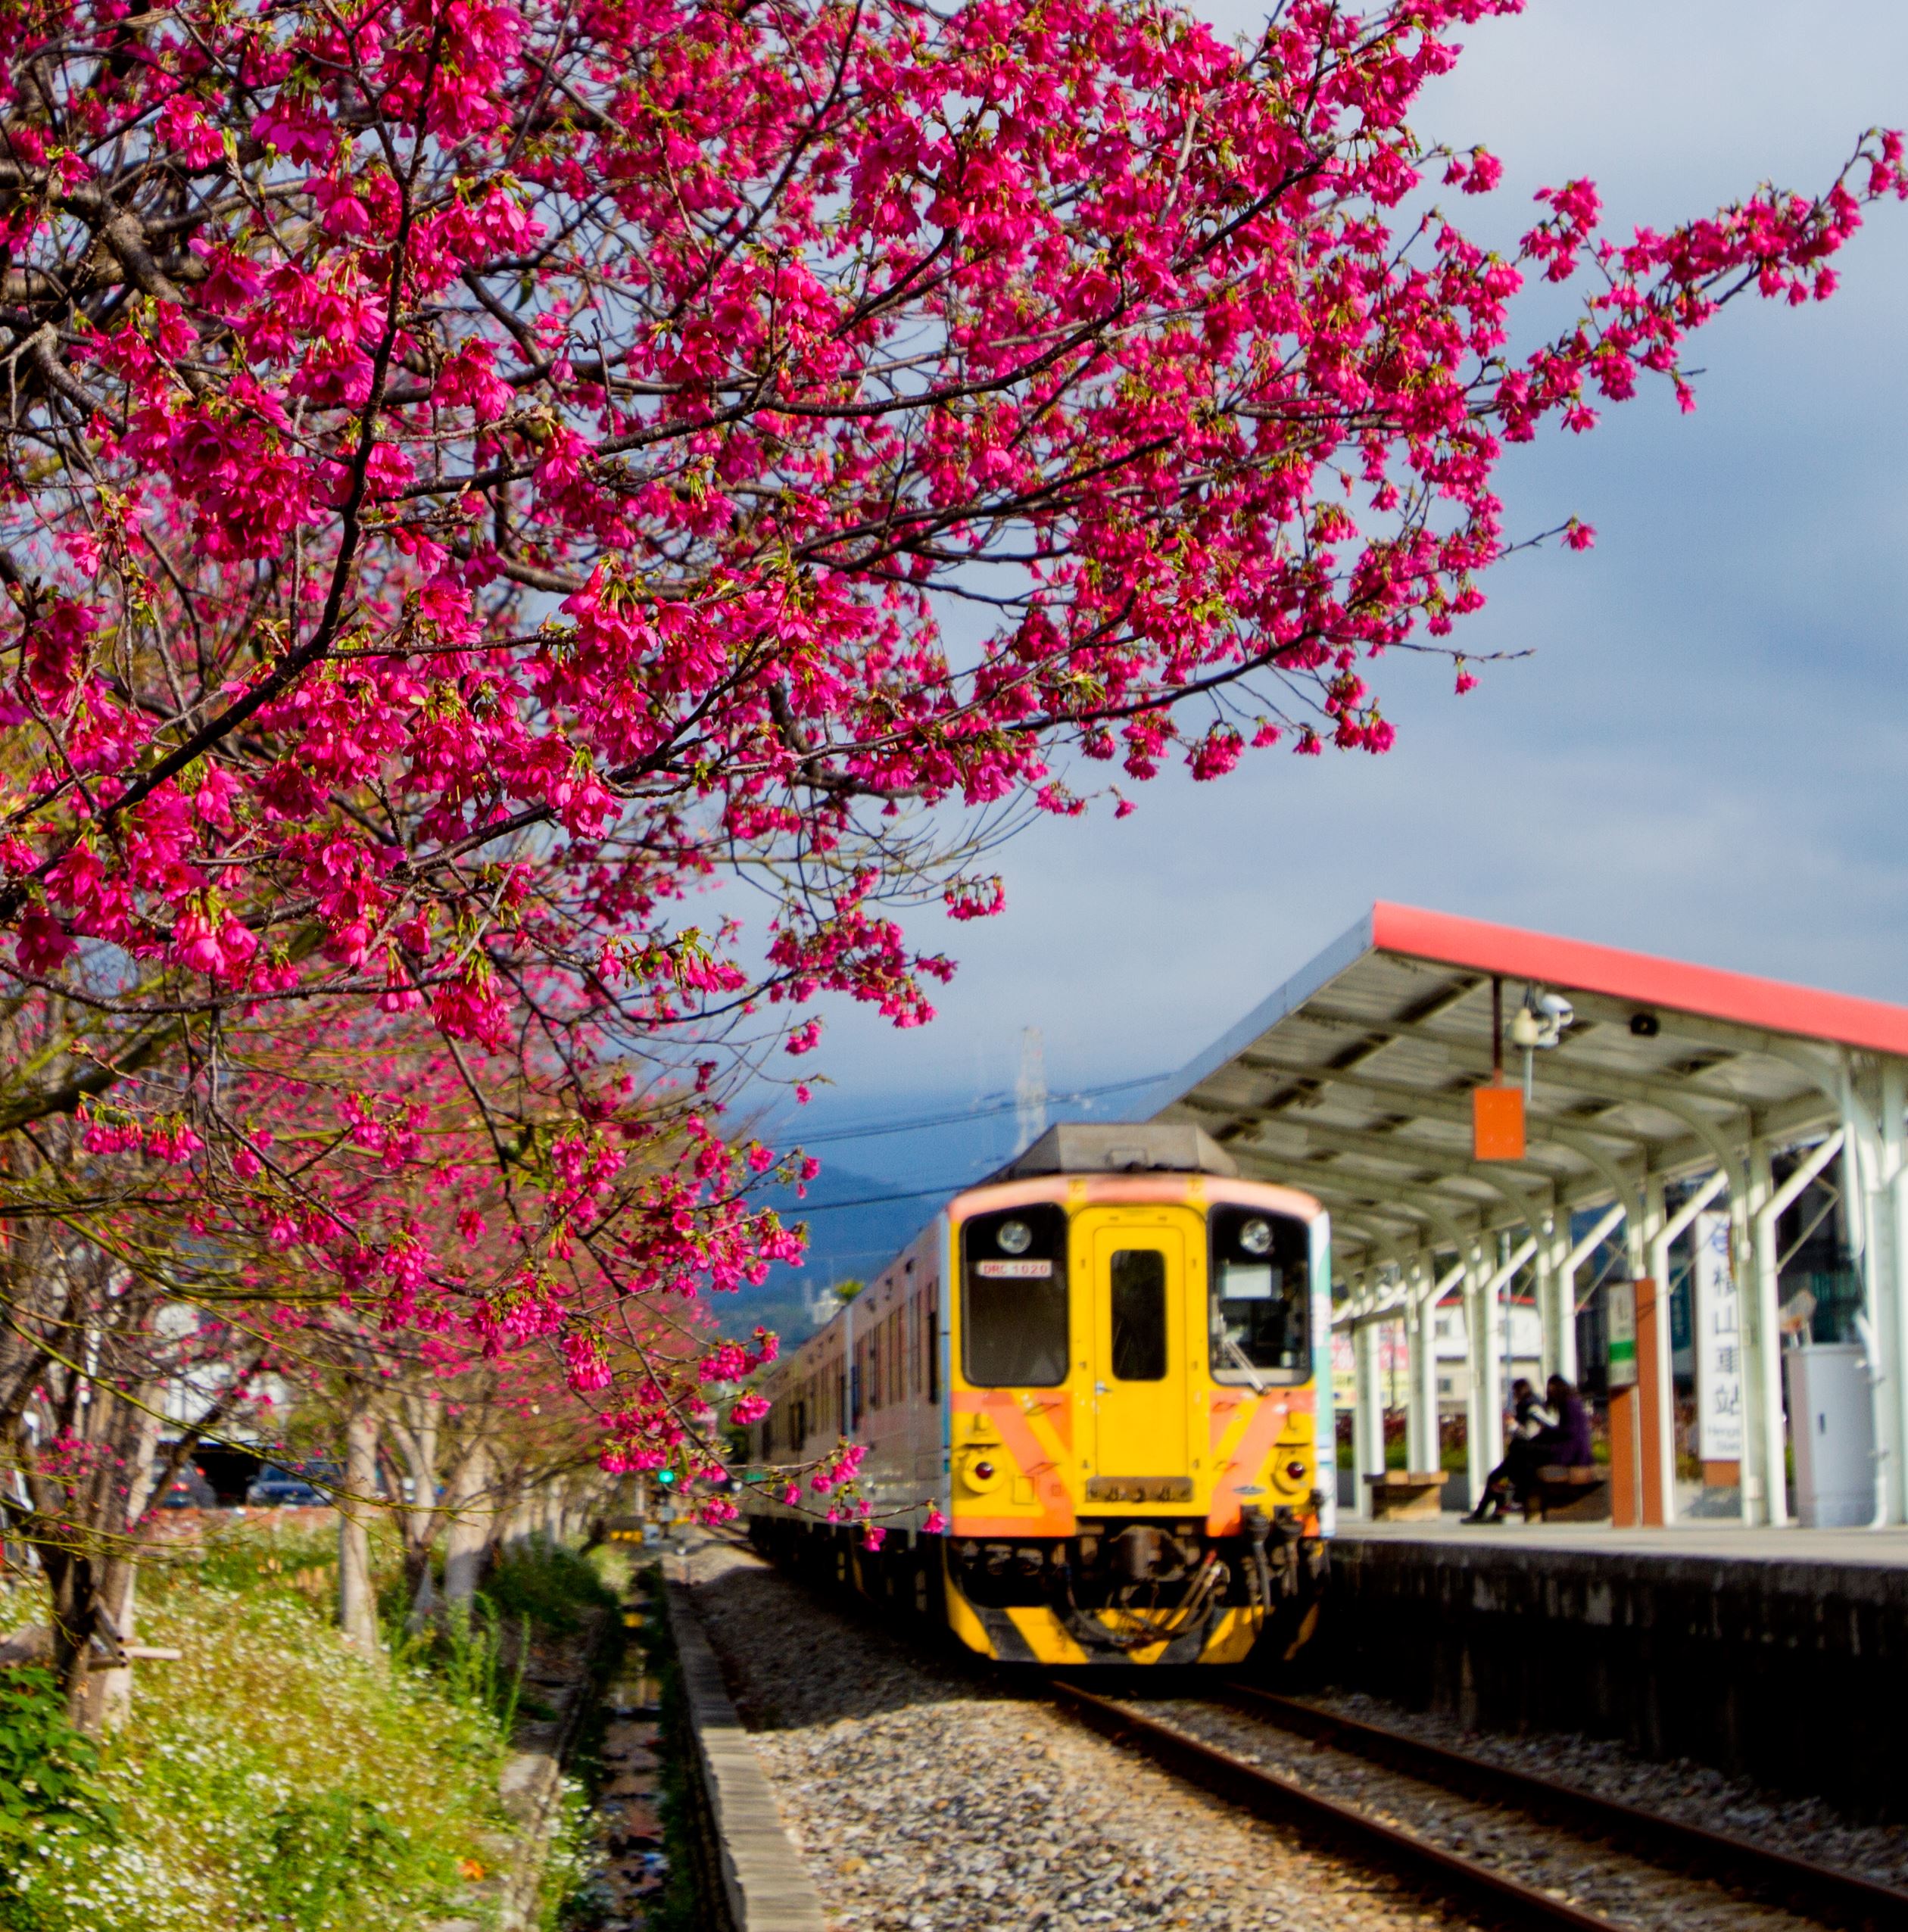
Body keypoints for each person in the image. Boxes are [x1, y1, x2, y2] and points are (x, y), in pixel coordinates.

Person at [1464, 1378, 1557, 1522]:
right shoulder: (1528, 1406)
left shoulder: (1532, 1408)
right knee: (1496, 1479)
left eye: (1515, 1392)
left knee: (1496, 1479)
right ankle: (1493, 1514)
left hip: (1524, 1457)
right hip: (1520, 1455)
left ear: (1519, 1392)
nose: (1514, 1396)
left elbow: (1530, 1434)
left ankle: (1489, 1514)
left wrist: (1514, 1426)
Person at [1535, 1374, 1593, 1468]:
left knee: (1528, 1450)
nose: (1549, 1394)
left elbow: (1570, 1431)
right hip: (1577, 1452)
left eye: (1550, 1391)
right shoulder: (1572, 1402)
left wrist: (1549, 1432)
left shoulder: (1569, 1404)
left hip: (1572, 1454)